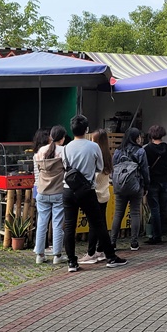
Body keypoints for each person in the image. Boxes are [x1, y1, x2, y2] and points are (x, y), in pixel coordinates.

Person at [61, 115, 126, 271]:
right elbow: (99, 166)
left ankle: (72, 262)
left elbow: (65, 166)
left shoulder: (66, 147)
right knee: (98, 224)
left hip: (68, 189)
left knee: (69, 226)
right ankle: (110, 257)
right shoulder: (93, 147)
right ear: (87, 130)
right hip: (87, 191)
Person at [109, 127, 148, 252]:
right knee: (135, 213)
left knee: (118, 214)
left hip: (120, 185)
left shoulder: (118, 151)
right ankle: (134, 243)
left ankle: (112, 242)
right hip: (136, 186)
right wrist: (146, 185)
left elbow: (113, 168)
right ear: (136, 138)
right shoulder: (140, 151)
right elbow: (145, 170)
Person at [33, 126, 67, 265]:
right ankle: (57, 255)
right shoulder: (63, 151)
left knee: (42, 223)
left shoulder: (41, 150)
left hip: (41, 191)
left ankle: (40, 255)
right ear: (62, 138)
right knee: (57, 224)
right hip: (58, 191)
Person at [82, 129, 113, 264]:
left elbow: (93, 175)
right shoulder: (107, 155)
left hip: (95, 194)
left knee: (93, 224)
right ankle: (101, 250)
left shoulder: (95, 154)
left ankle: (91, 253)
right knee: (101, 223)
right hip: (105, 193)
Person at [143, 124, 167, 244]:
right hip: (166, 181)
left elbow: (144, 166)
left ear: (151, 135)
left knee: (154, 209)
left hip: (153, 182)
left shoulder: (147, 149)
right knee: (162, 209)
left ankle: (156, 236)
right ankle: (160, 233)